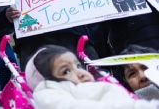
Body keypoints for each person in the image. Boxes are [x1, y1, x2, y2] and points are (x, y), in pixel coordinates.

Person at [25, 45, 159, 108]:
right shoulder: (49, 93)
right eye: (66, 71)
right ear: (47, 81)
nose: (80, 73)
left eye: (78, 66)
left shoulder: (101, 85)